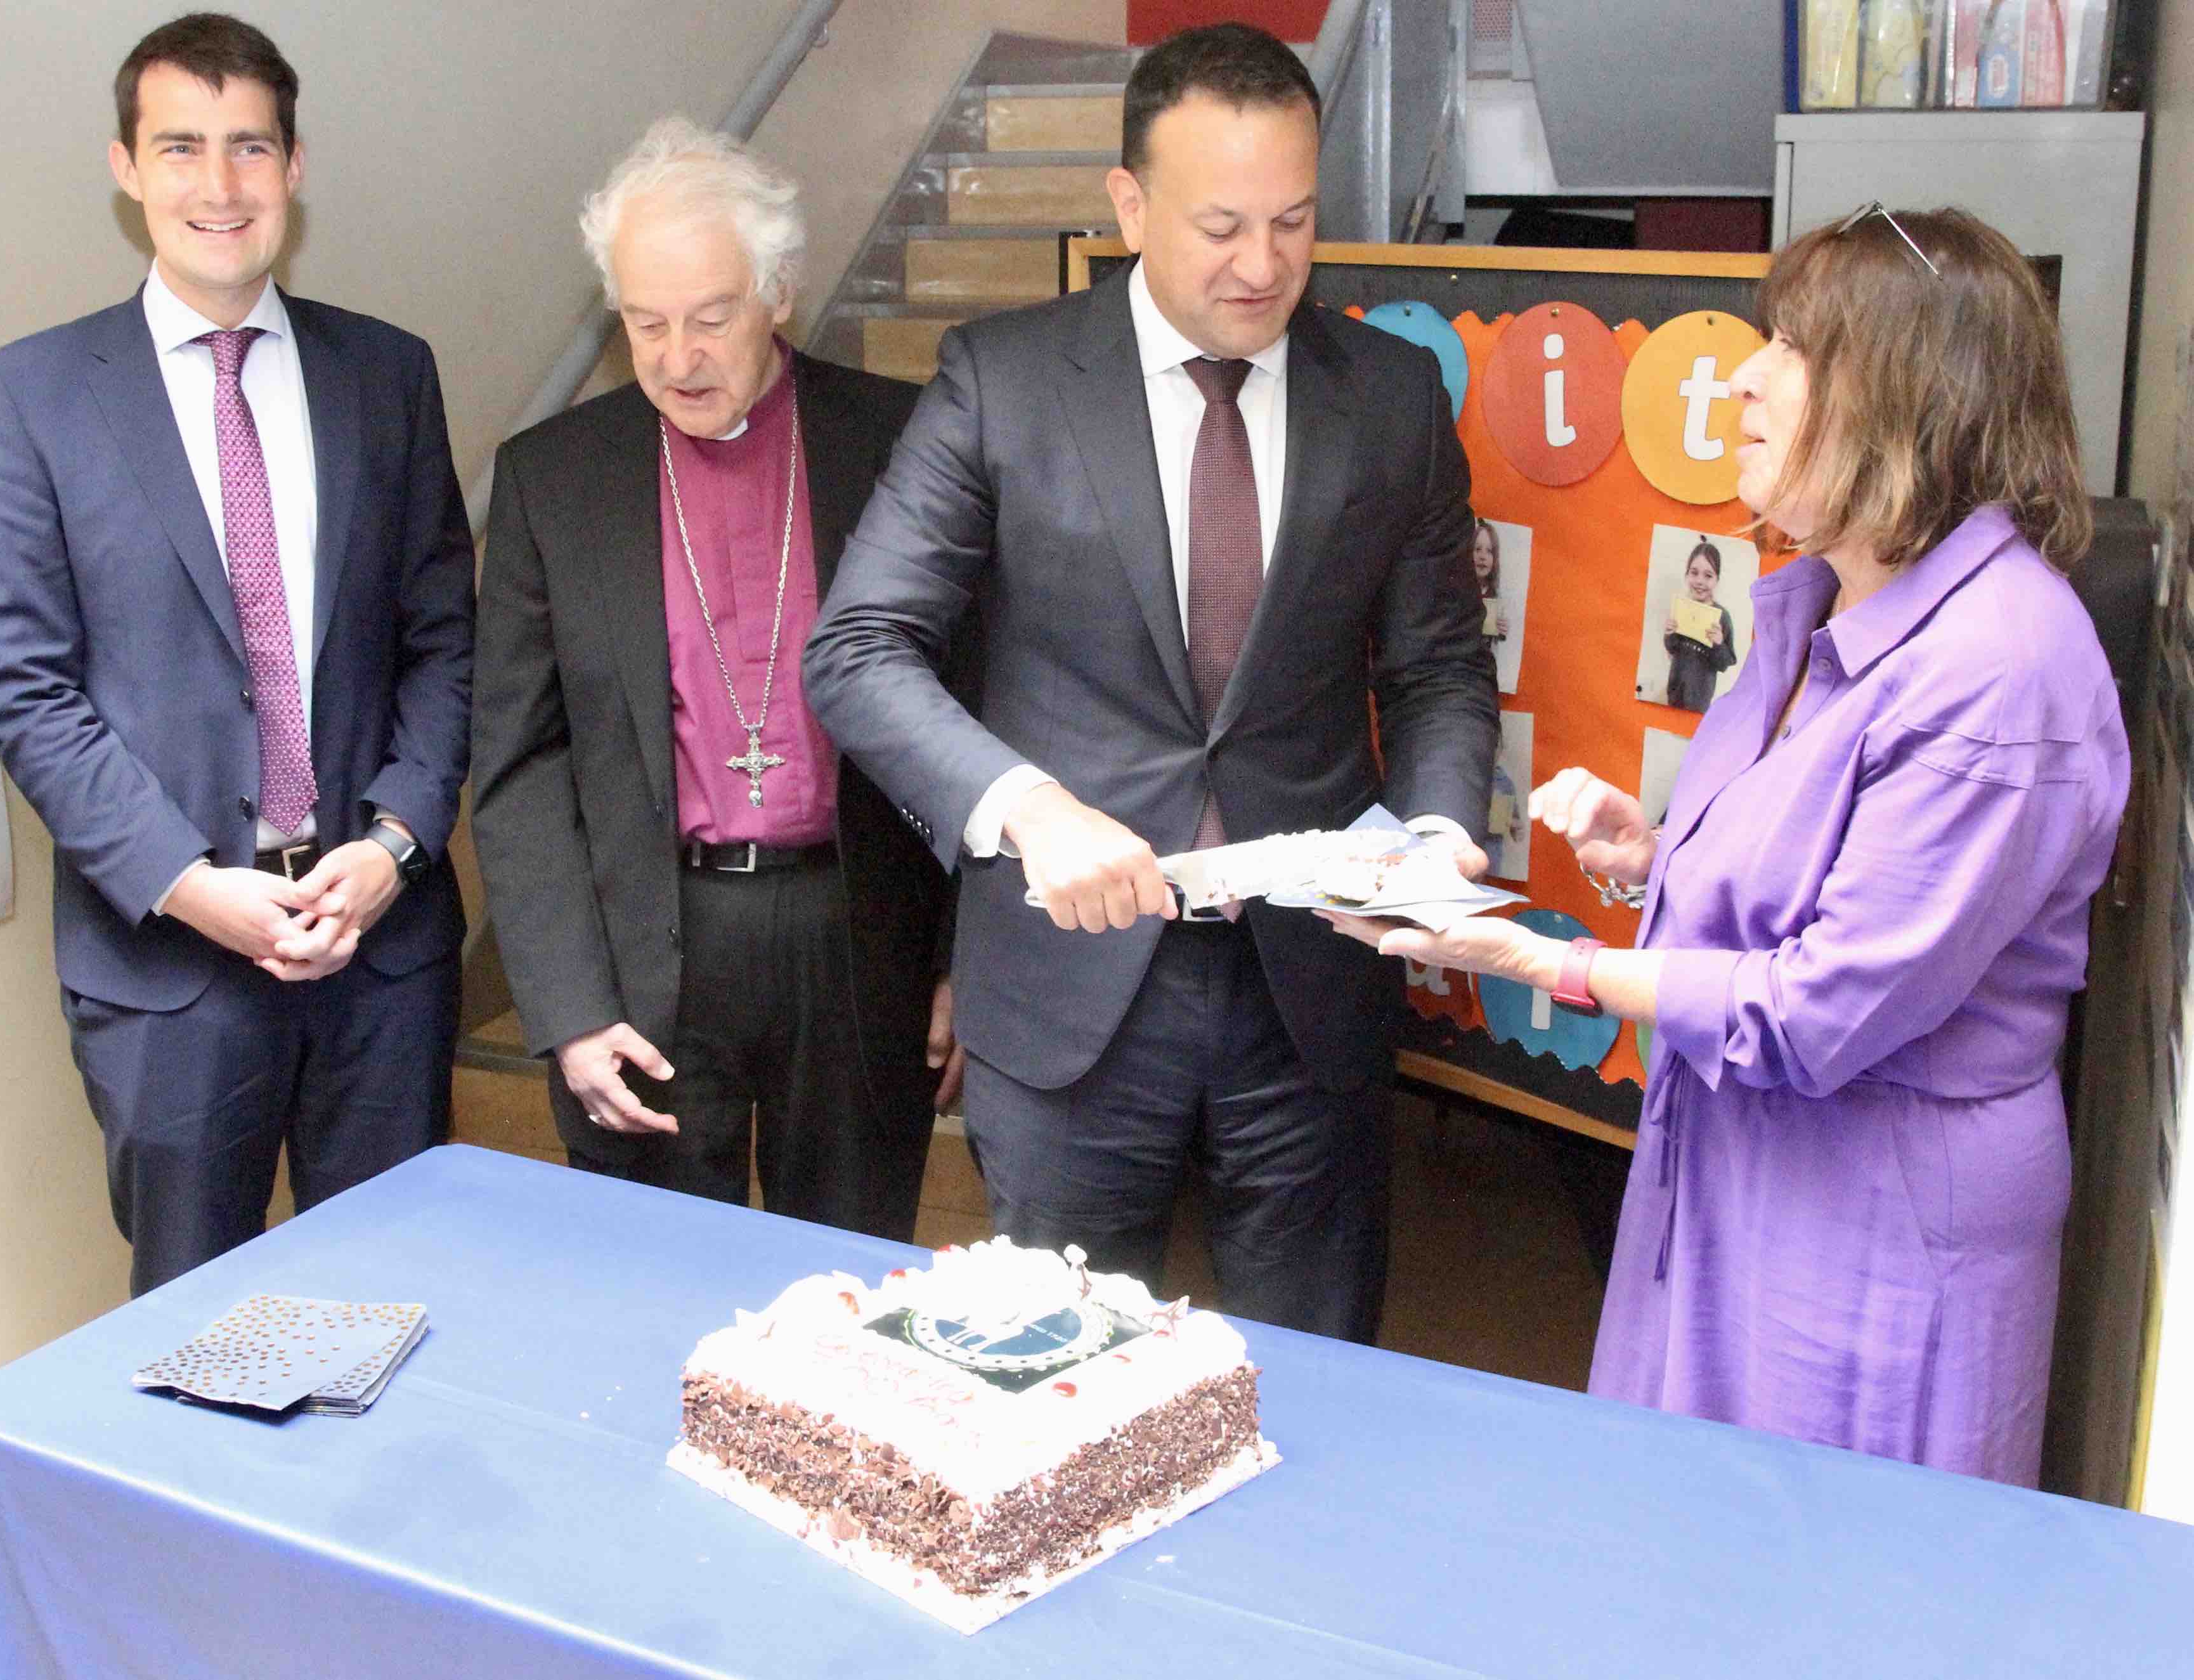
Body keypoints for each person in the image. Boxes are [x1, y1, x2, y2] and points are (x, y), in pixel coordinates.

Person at [1323, 205, 2122, 1485]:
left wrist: (1543, 962)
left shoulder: (1998, 672)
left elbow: (1817, 1005)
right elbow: (1812, 870)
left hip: (1876, 1231)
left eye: (1792, 348)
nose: (1741, 380)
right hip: (1743, 1179)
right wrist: (1658, 856)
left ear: (1912, 396)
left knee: (1827, 1579)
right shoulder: (1817, 599)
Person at [803, 23, 1497, 1340]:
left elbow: (1438, 668)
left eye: (1294, 222)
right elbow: (857, 646)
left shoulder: (1392, 396)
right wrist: (1022, 805)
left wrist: (1437, 829)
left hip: (1311, 985)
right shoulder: (1002, 383)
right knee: (1064, 1376)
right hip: (1069, 990)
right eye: (1220, 225)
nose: (1262, 265)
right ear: (1127, 204)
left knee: (1320, 1371)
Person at [0, 12, 473, 1294]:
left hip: (379, 952)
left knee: (396, 1308)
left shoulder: (389, 373)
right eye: (180, 146)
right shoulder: (33, 394)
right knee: (197, 1335)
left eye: (249, 147)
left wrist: (395, 847)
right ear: (126, 167)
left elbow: (444, 641)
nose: (218, 184)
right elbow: (27, 688)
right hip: (172, 971)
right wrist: (192, 884)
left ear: (294, 169)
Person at [471, 120, 962, 1239]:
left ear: (779, 291)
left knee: (845, 1293)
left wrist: (965, 961)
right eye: (645, 323)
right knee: (655, 1292)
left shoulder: (901, 441)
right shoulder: (554, 479)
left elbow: (971, 703)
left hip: (855, 933)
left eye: (709, 317)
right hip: (645, 951)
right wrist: (565, 1005)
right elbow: (518, 766)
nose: (677, 358)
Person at [1660, 538, 1737, 711]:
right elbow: (1673, 648)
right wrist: (1669, 634)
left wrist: (1719, 644)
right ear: (1687, 575)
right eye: (1694, 573)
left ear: (1717, 579)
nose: (1700, 581)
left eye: (1708, 575)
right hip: (1674, 691)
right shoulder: (1681, 608)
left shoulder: (1722, 617)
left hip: (1700, 699)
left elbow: (1725, 663)